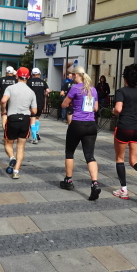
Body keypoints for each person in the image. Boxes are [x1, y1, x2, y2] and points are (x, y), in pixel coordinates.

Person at [111, 64, 137, 200]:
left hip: (124, 127)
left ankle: (124, 190)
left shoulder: (121, 91)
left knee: (120, 159)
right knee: (134, 160)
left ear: (125, 78)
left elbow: (118, 109)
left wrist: (113, 112)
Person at [60, 66, 101, 201]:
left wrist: (72, 104)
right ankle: (95, 183)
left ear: (76, 75)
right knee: (89, 155)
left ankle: (68, 180)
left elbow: (64, 104)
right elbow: (96, 108)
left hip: (77, 124)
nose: (72, 77)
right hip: (91, 125)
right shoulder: (93, 89)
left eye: (73, 75)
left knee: (69, 152)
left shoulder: (75, 88)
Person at [1, 67, 37, 179]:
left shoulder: (10, 88)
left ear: (17, 76)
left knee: (8, 143)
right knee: (21, 147)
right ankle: (16, 171)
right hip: (25, 120)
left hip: (12, 118)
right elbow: (34, 111)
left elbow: (3, 100)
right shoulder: (31, 92)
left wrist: (3, 110)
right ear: (28, 77)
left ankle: (12, 158)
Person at [27, 68, 50, 144]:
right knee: (37, 118)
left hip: (32, 103)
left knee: (32, 118)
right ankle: (37, 132)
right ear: (39, 74)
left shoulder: (29, 82)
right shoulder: (43, 82)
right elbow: (48, 90)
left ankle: (34, 137)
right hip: (40, 102)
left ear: (32, 74)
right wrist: (44, 94)